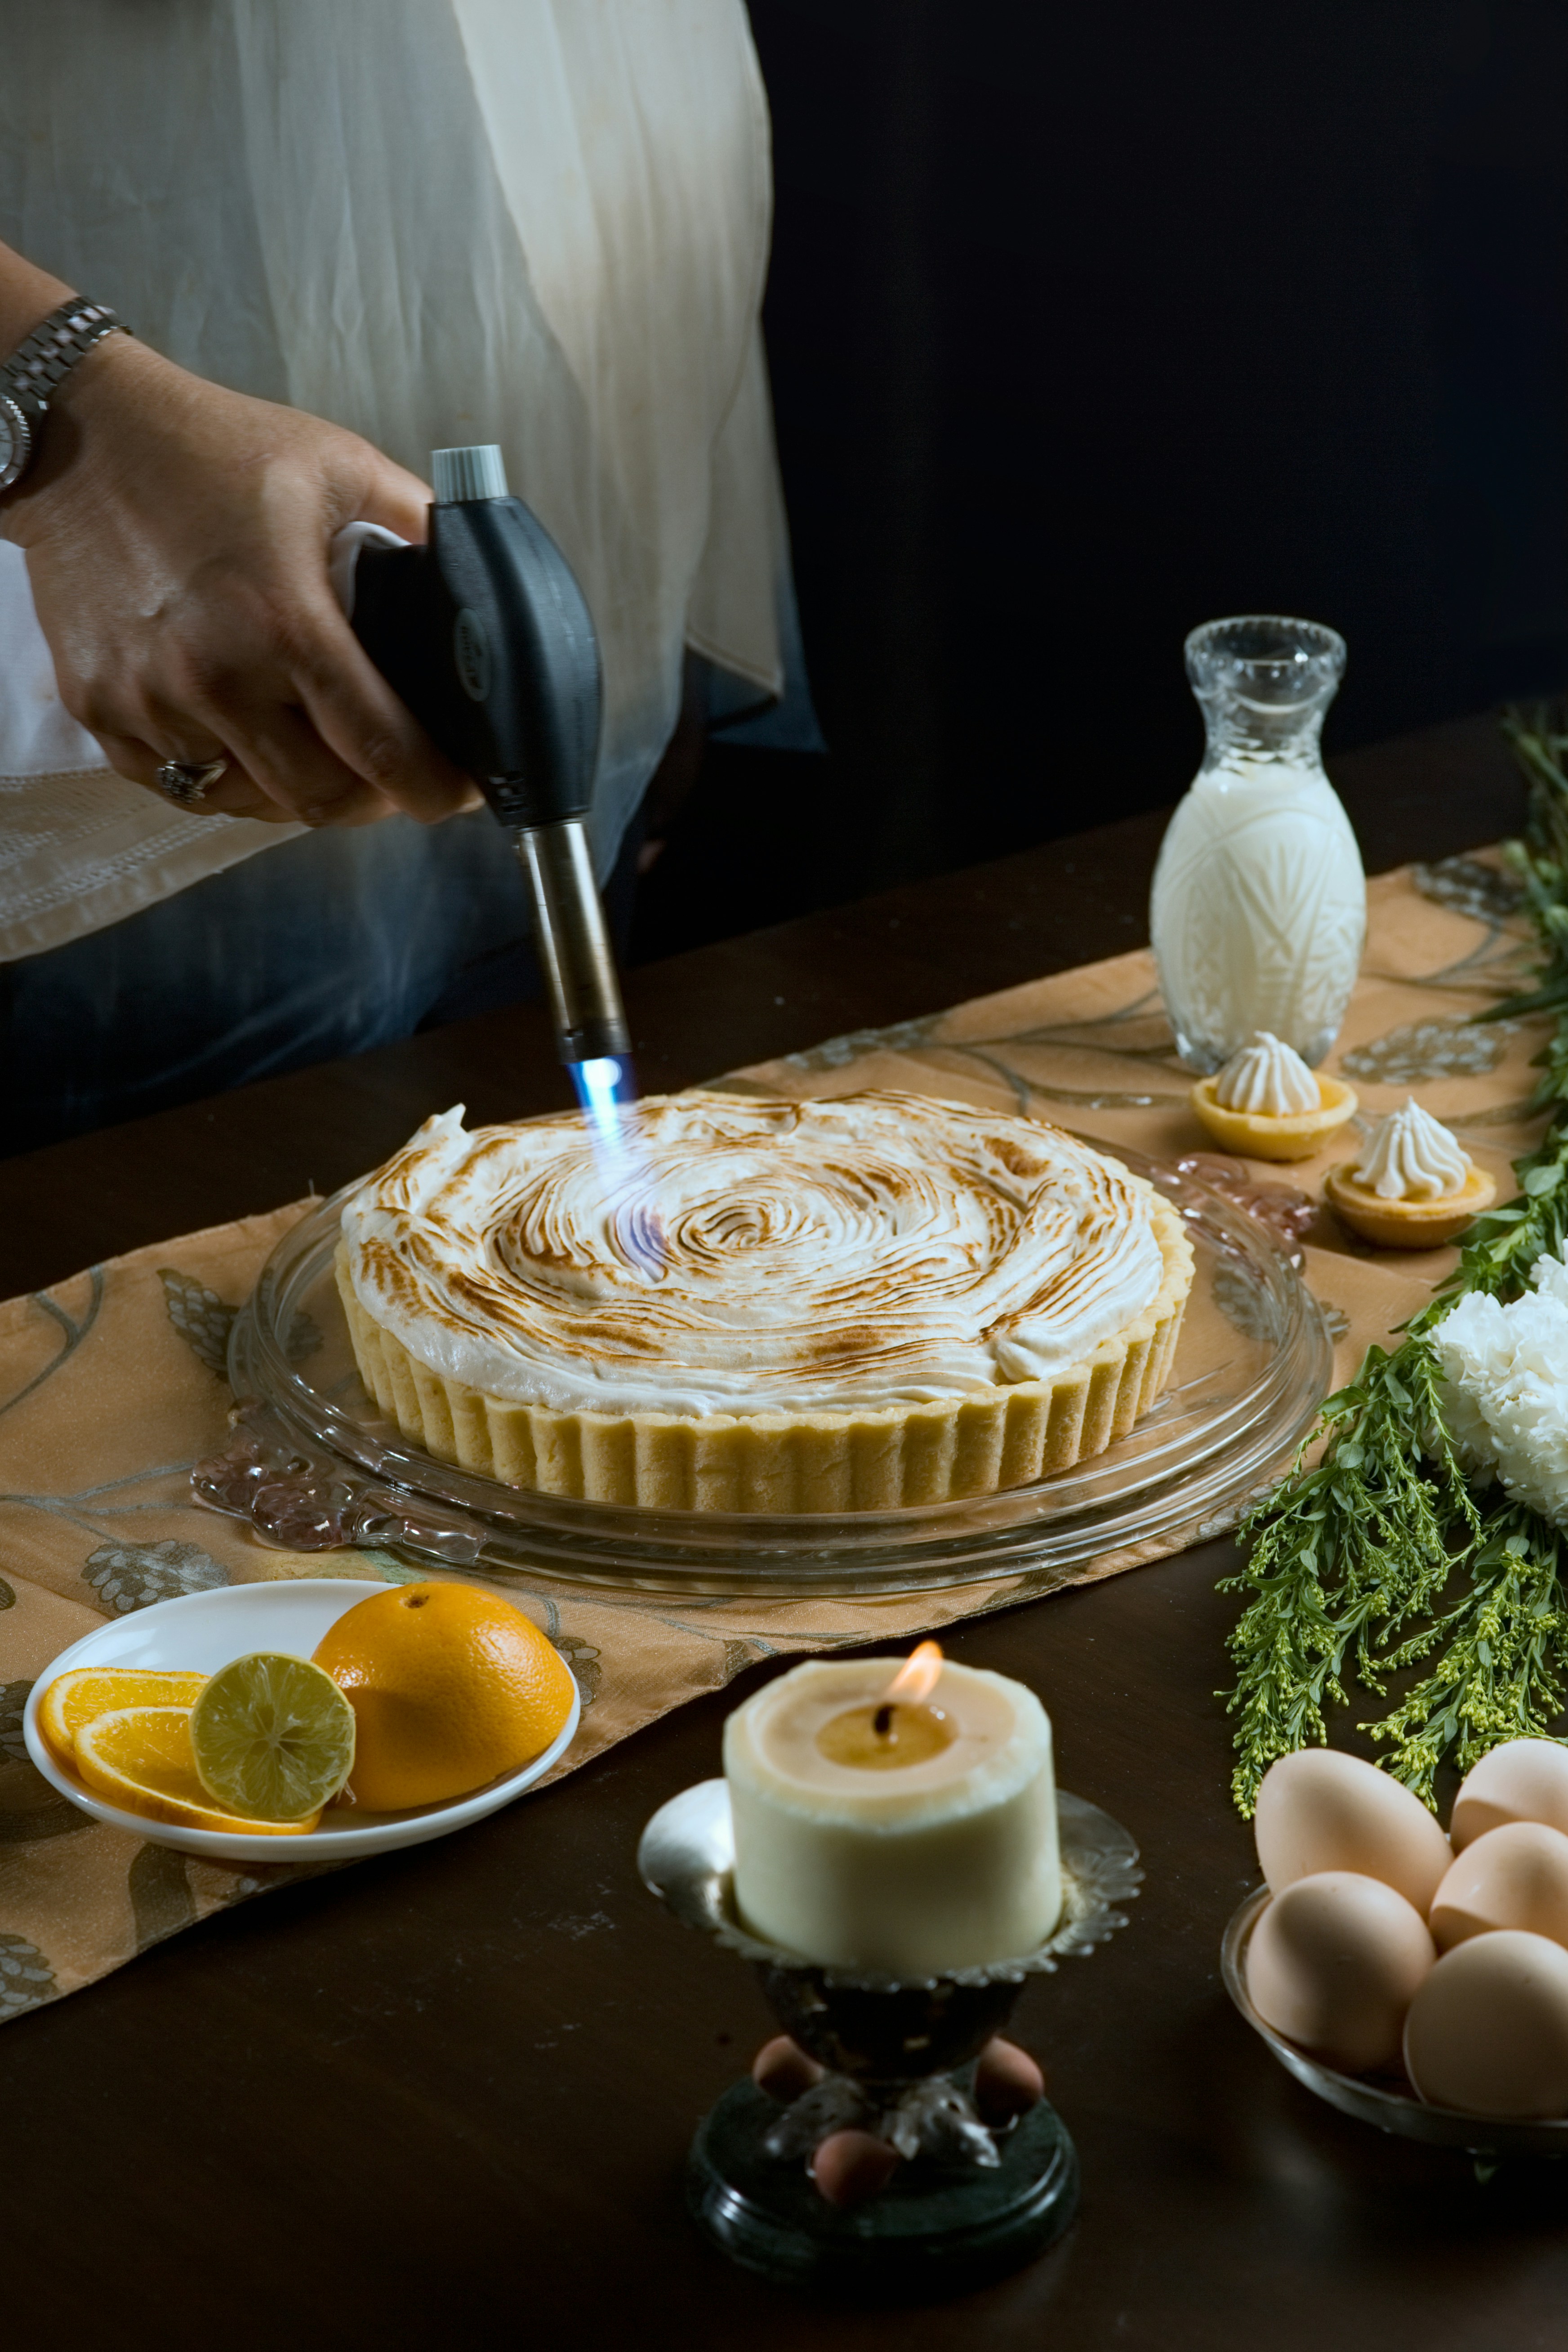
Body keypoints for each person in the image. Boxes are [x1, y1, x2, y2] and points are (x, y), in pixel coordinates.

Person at [0, 2, 804, 1154]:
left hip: (549, 311)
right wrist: (65, 429)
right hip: (121, 376)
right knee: (169, 1169)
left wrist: (652, 574)